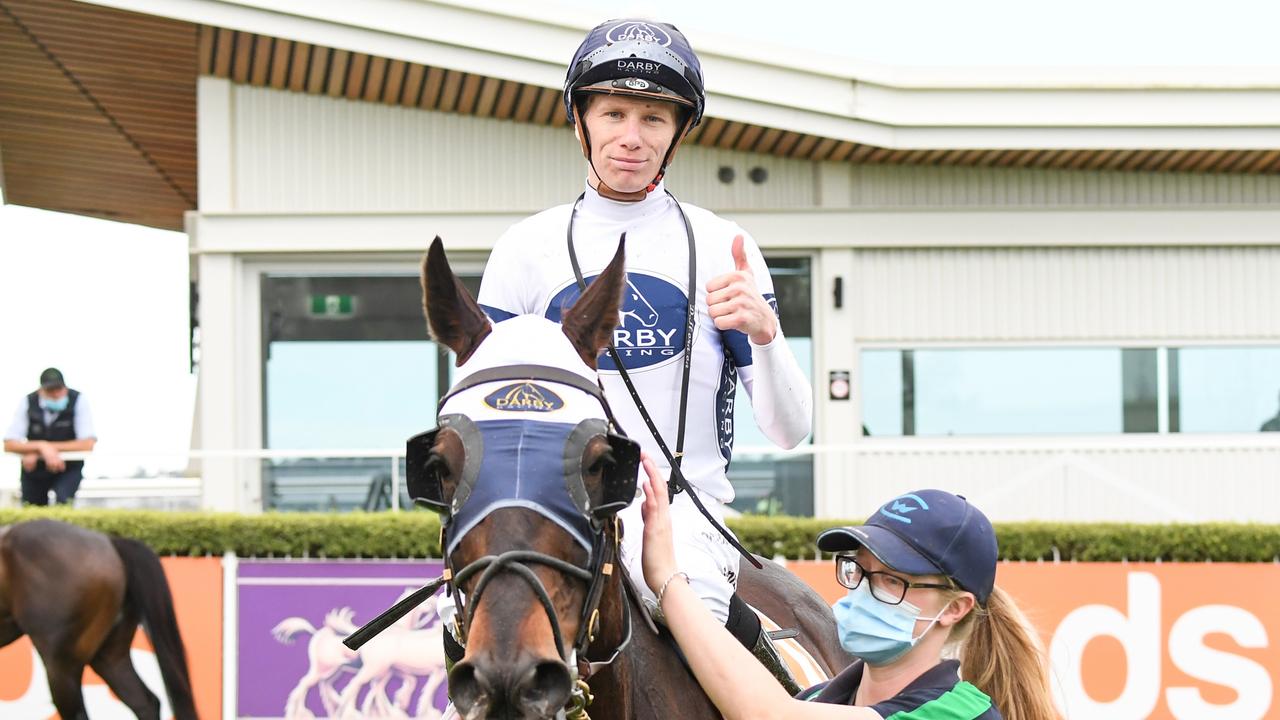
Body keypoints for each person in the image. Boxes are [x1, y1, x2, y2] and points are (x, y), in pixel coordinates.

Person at [459, 17, 813, 686]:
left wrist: (765, 338)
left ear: (679, 131)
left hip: (685, 521)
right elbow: (489, 422)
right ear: (580, 120)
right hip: (551, 517)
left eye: (654, 117)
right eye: (614, 112)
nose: (631, 136)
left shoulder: (721, 247)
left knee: (688, 654)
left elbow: (791, 432)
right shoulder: (522, 251)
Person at [640, 459, 1060, 720]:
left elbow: (768, 715)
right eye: (860, 570)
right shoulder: (821, 698)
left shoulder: (958, 712)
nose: (863, 592)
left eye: (892, 580)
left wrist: (669, 581)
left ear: (955, 609)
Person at [3, 368, 97, 505]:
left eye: (58, 389)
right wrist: (42, 446)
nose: (55, 394)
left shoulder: (78, 400)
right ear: (40, 390)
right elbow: (9, 444)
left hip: (68, 467)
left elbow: (87, 444)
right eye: (50, 390)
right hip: (34, 469)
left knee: (63, 502)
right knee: (32, 510)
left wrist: (39, 449)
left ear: (65, 388)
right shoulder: (28, 402)